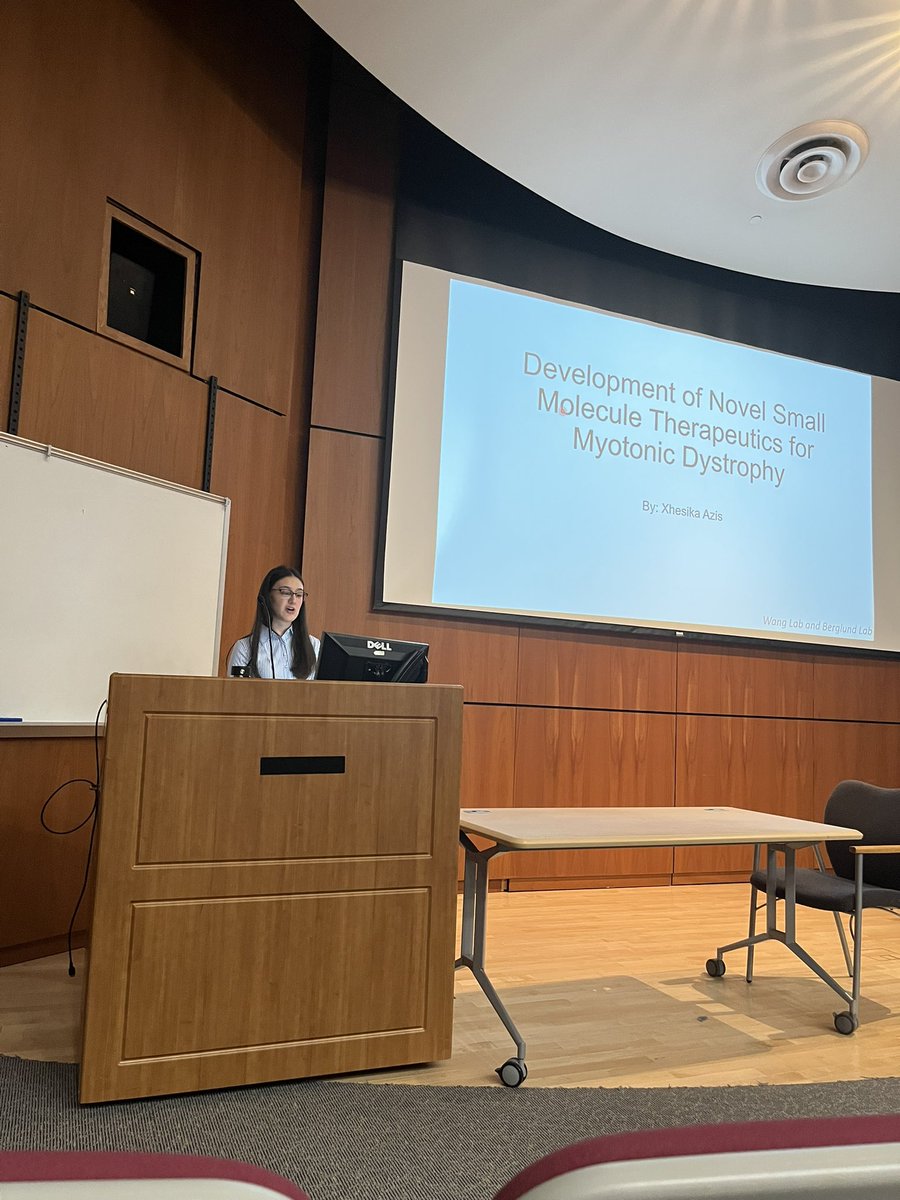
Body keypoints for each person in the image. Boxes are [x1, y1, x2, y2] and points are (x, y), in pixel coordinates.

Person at [226, 565, 320, 679]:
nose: (293, 600)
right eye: (285, 592)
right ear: (268, 596)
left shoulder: (314, 646)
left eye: (299, 594)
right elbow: (233, 695)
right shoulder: (245, 648)